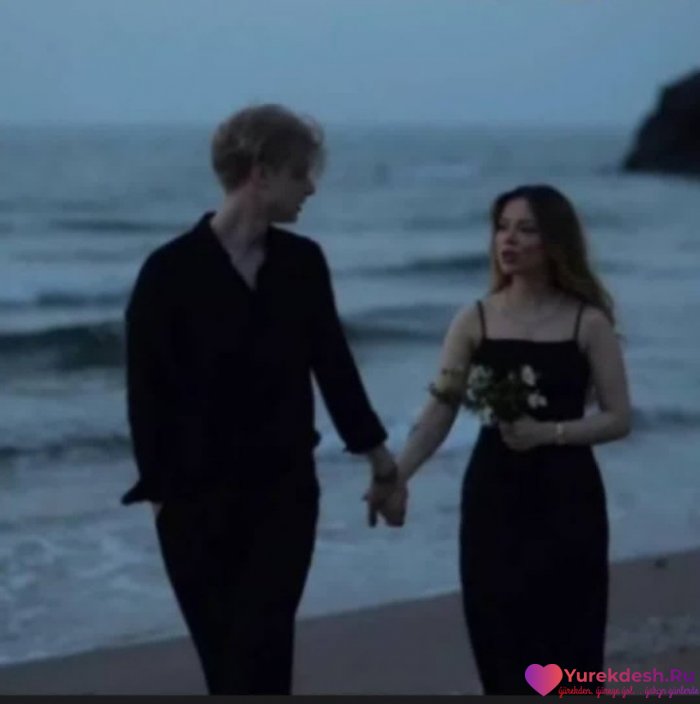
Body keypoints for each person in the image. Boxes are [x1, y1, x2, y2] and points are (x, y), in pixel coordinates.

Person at [121, 104, 400, 695]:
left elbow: (335, 369)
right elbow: (147, 399)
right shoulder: (168, 273)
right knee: (226, 670)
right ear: (260, 172)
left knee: (265, 658)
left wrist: (381, 462)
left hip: (283, 498)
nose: (310, 188)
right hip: (195, 507)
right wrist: (164, 501)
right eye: (300, 173)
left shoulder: (302, 265)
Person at [370, 184, 631, 694]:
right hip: (495, 496)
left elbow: (618, 418)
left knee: (570, 651)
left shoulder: (587, 322)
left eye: (525, 229)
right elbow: (441, 407)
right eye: (502, 228)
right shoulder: (476, 318)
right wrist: (397, 475)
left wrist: (549, 433)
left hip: (568, 498)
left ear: (553, 241)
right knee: (501, 642)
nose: (508, 240)